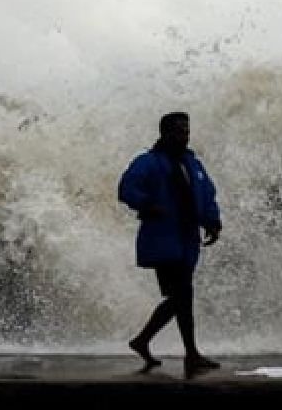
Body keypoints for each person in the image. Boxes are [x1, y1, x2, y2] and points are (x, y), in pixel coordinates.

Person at [118, 112, 223, 378]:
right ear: (165, 133)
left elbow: (207, 193)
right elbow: (126, 188)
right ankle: (190, 353)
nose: (184, 135)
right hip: (162, 238)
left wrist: (213, 221)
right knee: (182, 296)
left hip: (187, 238)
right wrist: (146, 204)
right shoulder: (149, 162)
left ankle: (146, 342)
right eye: (178, 131)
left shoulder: (192, 163)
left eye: (186, 130)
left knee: (180, 298)